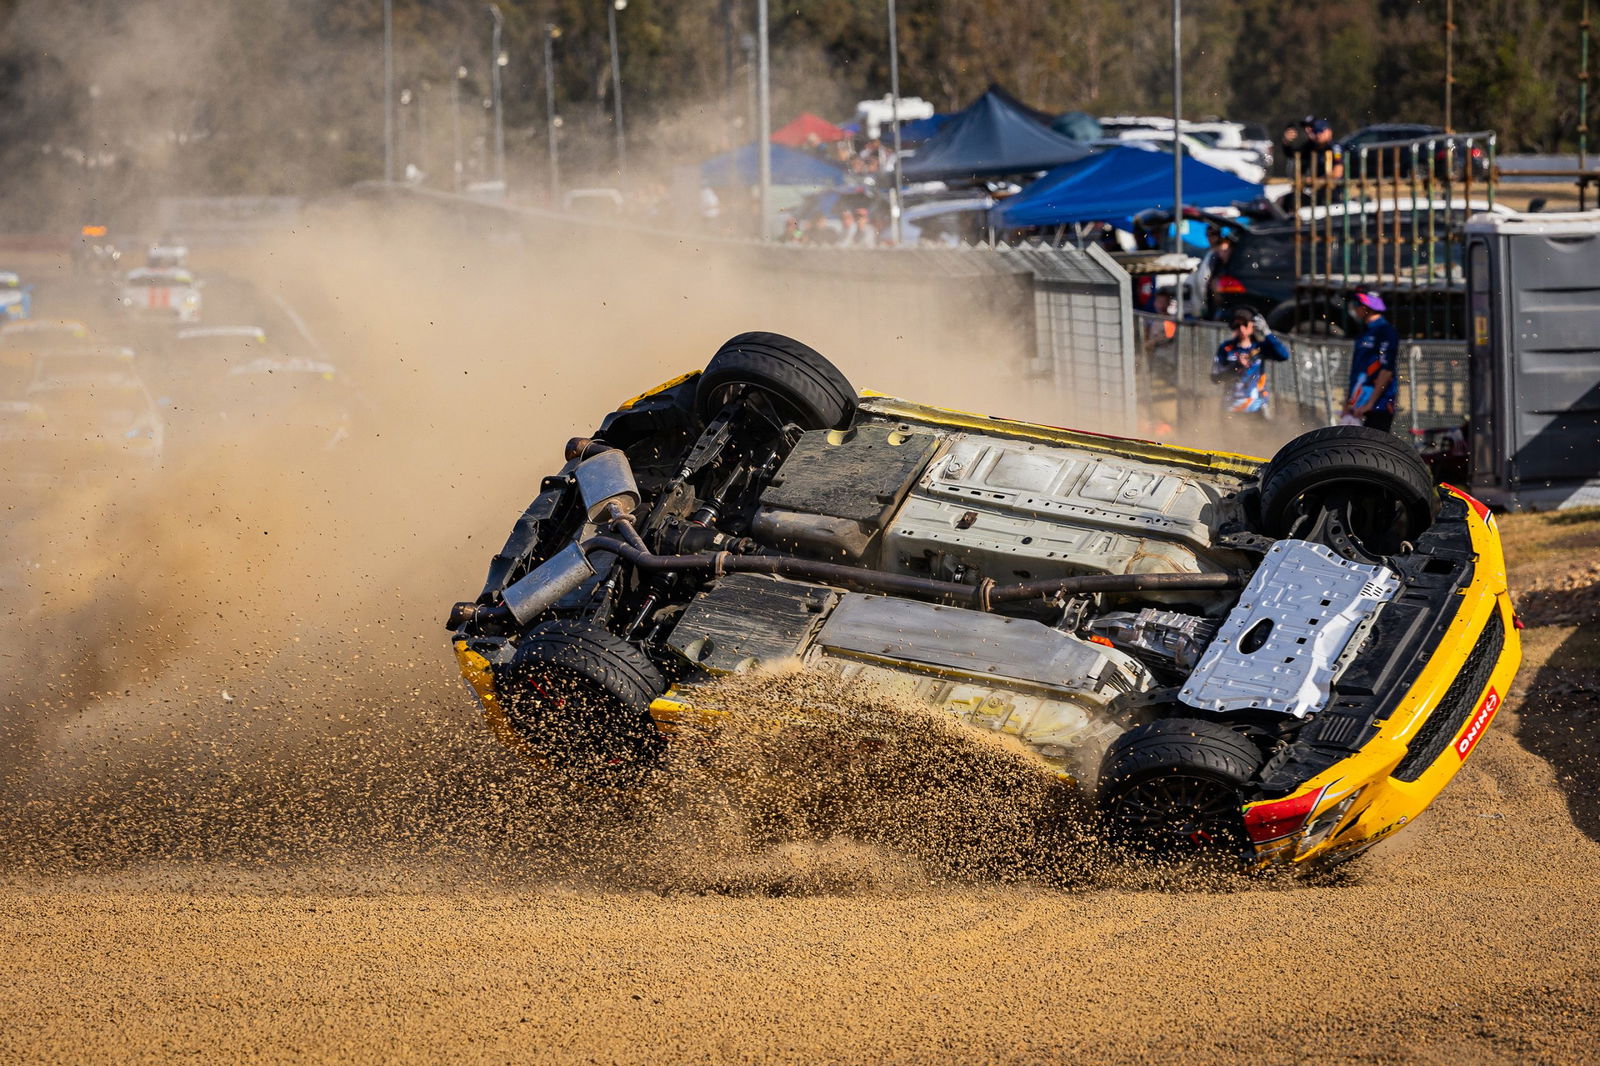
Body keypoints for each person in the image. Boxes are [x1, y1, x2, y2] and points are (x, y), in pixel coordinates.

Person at [1211, 307, 1290, 418]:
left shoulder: (1260, 347)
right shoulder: (1226, 348)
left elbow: (1284, 355)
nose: (1242, 329)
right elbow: (1215, 378)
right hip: (1230, 407)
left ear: (1252, 326)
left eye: (1245, 324)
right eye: (1238, 325)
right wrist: (1235, 367)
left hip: (1256, 407)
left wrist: (1267, 332)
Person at [1345, 290, 1400, 431]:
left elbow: (1387, 370)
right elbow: (1359, 371)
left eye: (1357, 304)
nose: (1354, 308)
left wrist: (1370, 404)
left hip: (1378, 405)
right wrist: (1349, 402)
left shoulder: (1386, 332)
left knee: (1373, 449)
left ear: (1365, 307)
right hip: (1358, 404)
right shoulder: (1365, 332)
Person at [1280, 116, 1343, 183]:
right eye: (1305, 127)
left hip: (1334, 189)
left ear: (1329, 131)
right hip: (1317, 190)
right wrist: (1286, 142)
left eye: (1318, 130)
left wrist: (1317, 180)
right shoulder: (1311, 146)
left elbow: (1337, 172)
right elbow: (1294, 154)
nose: (1307, 130)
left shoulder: (1335, 147)